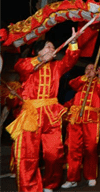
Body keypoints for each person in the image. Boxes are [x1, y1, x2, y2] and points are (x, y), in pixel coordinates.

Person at [7, 37, 80, 192]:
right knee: (28, 156)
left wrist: (73, 43)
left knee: (55, 155)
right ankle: (29, 188)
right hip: (31, 115)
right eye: (48, 46)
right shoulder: (27, 64)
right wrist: (40, 59)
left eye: (53, 47)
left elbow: (69, 61)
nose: (51, 49)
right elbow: (21, 67)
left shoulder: (56, 67)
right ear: (38, 50)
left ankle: (50, 184)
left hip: (52, 115)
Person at [61, 64, 100, 188]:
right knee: (73, 149)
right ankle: (71, 178)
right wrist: (85, 76)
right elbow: (72, 84)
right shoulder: (80, 81)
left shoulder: (98, 83)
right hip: (75, 119)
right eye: (87, 69)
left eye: (92, 69)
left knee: (91, 149)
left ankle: (91, 176)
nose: (89, 70)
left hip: (91, 120)